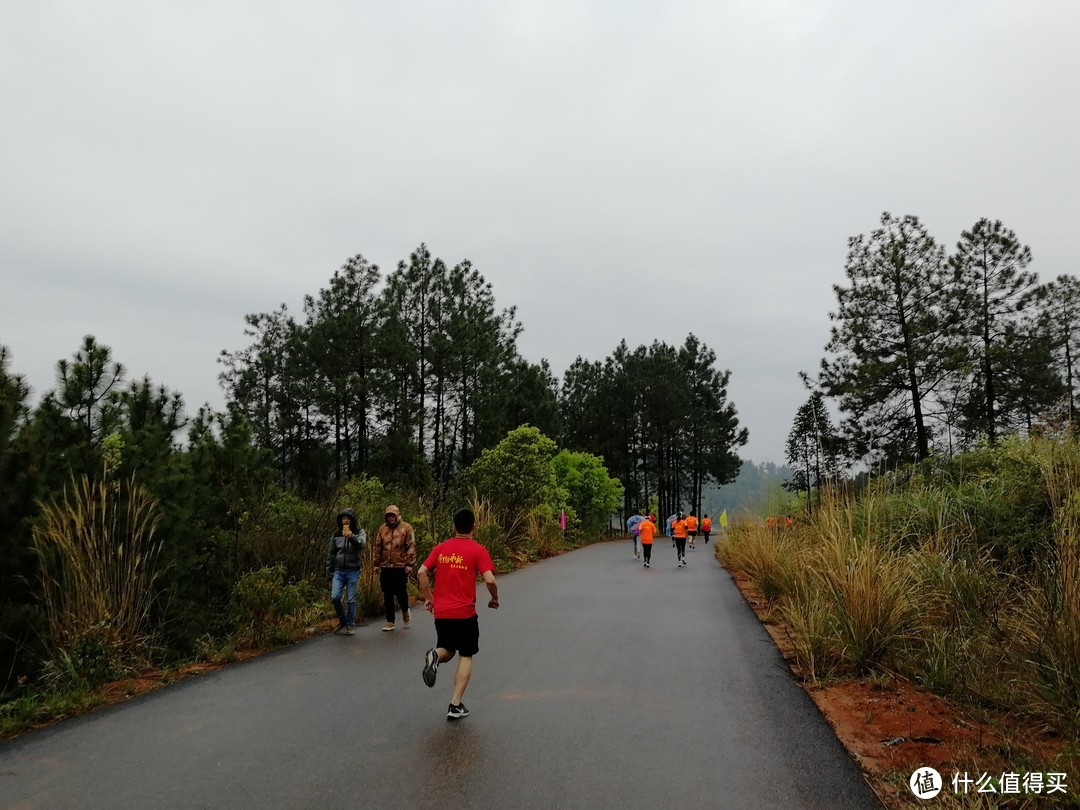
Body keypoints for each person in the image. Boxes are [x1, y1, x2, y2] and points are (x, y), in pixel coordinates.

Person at [418, 508, 499, 720]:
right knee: (465, 654)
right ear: (474, 527)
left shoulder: (441, 548)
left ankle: (434, 655)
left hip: (442, 612)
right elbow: (490, 579)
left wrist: (429, 597)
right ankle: (455, 705)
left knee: (447, 649)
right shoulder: (478, 550)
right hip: (464, 614)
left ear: (454, 527)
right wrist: (494, 597)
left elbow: (421, 571)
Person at [374, 505, 417, 632]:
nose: (391, 518)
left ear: (397, 515)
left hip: (400, 565)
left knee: (400, 591)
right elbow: (378, 547)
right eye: (388, 516)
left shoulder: (406, 528)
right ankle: (390, 621)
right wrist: (376, 564)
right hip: (386, 565)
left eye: (392, 516)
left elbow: (411, 546)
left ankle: (405, 609)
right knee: (387, 593)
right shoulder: (382, 529)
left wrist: (409, 564)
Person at [325, 507, 367, 635]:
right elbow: (331, 554)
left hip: (352, 570)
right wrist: (329, 571)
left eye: (348, 518)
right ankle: (343, 620)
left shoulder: (359, 532)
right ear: (340, 520)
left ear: (352, 520)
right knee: (335, 596)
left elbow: (361, 544)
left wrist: (351, 537)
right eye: (343, 518)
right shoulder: (336, 535)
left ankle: (350, 625)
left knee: (351, 599)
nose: (346, 521)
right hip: (338, 570)